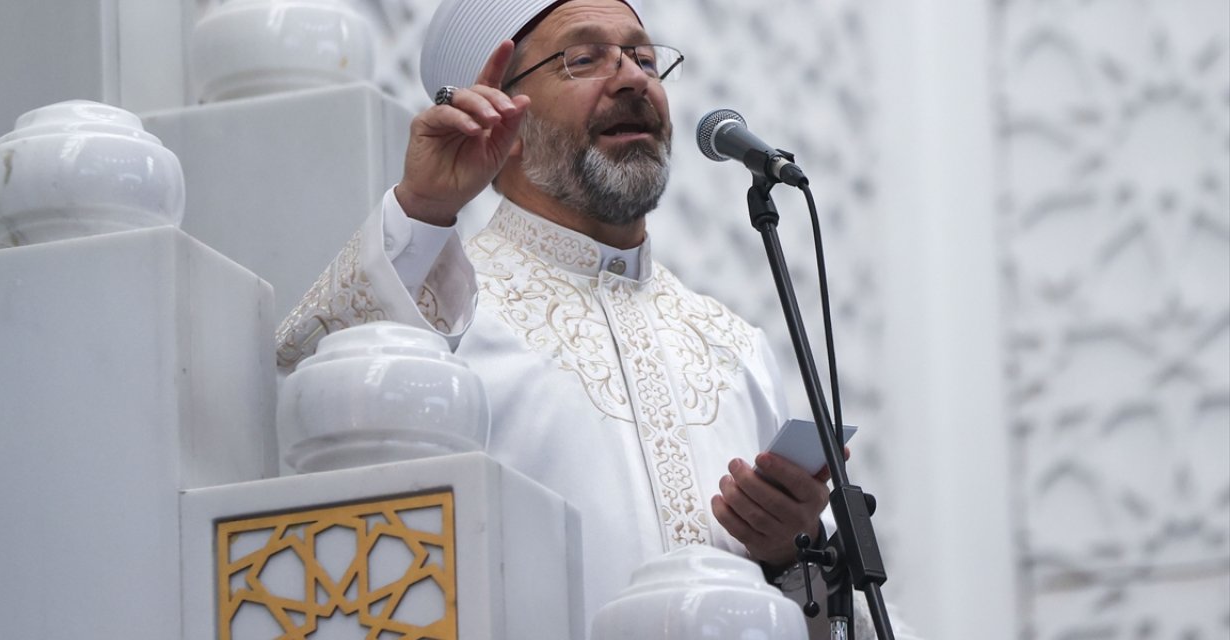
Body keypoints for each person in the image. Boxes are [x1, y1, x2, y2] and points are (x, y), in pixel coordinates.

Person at [276, 0, 918, 637]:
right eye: (583, 58)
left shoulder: (732, 347)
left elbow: (825, 614)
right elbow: (294, 420)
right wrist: (422, 208)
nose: (634, 78)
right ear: (498, 113)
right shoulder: (438, 304)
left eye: (643, 57)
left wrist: (793, 548)